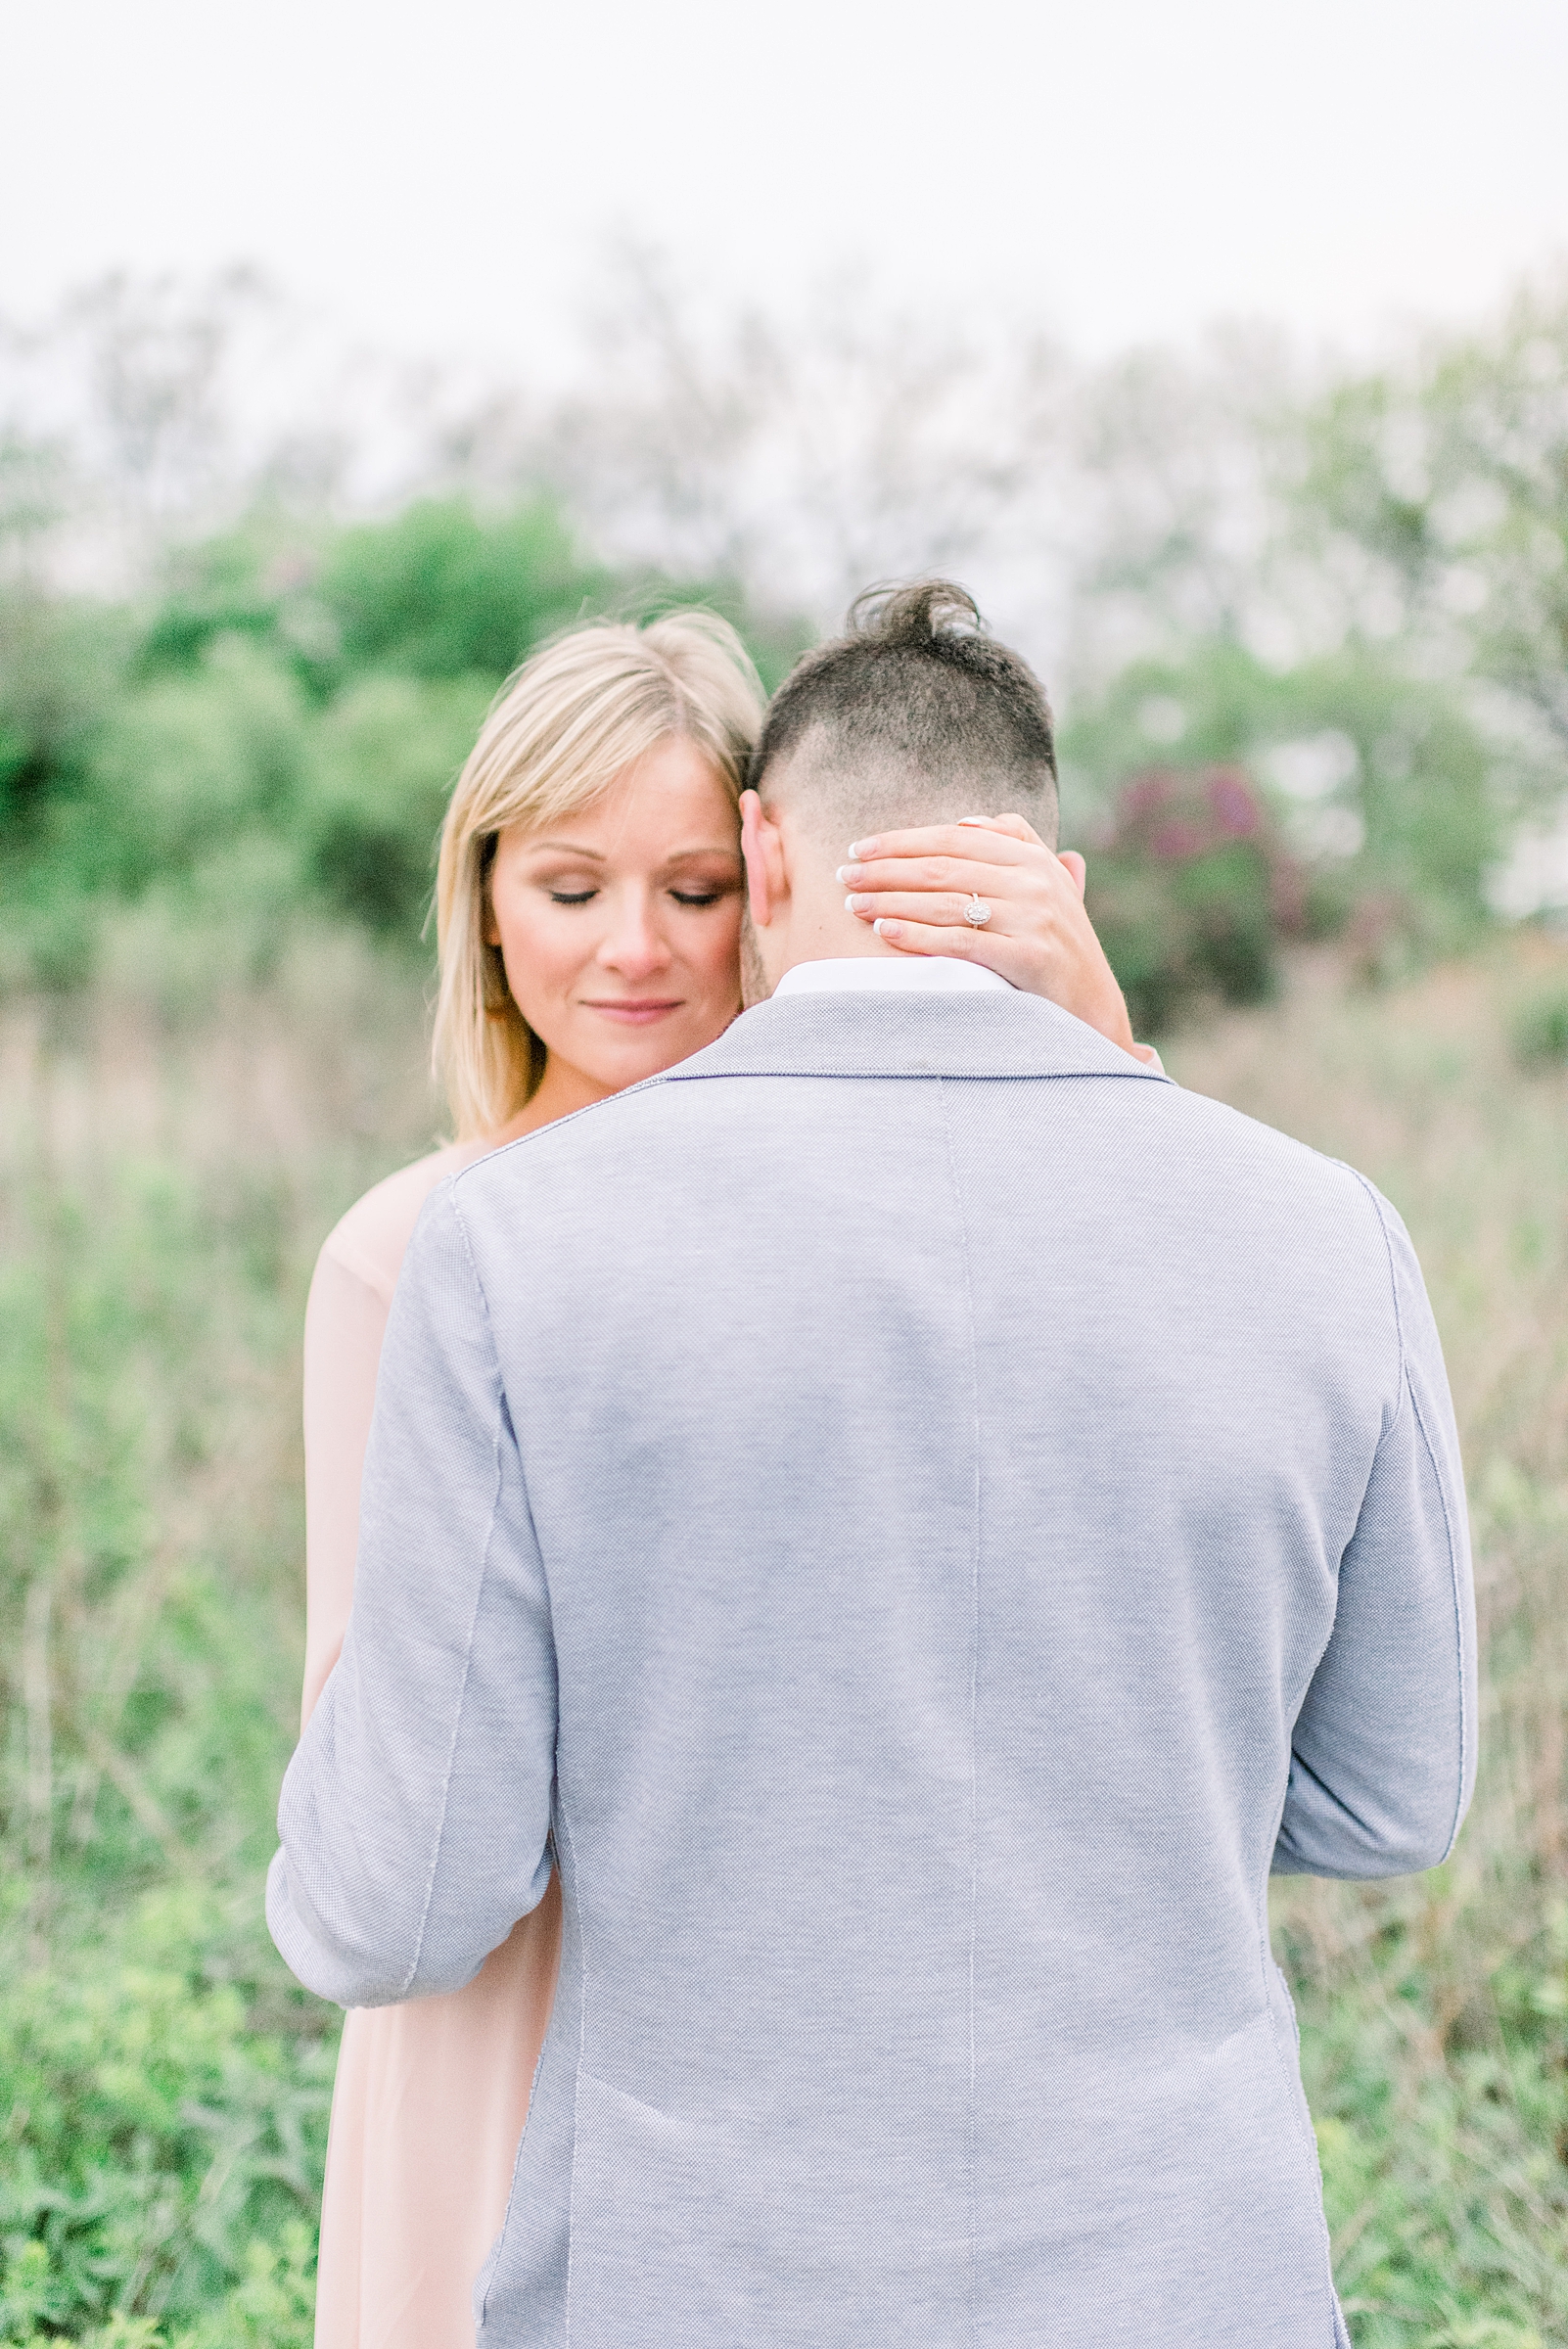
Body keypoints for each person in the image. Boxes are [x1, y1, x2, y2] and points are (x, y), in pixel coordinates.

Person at [274, 579, 1474, 2345]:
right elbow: (1386, 1800)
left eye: (688, 888)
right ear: (1046, 878)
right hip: (1183, 2273)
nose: (640, 947)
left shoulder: (514, 1251)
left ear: (765, 855)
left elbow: (402, 1890)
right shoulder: (1328, 1234)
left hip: (698, 2273)